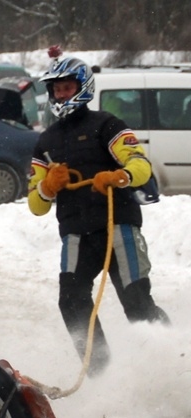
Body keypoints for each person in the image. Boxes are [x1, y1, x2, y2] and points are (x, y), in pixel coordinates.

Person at [28, 56, 168, 376]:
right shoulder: (45, 142)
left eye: (67, 87)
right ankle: (101, 374)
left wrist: (119, 176)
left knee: (136, 302)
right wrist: (48, 187)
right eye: (57, 89)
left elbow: (140, 165)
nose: (62, 95)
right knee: (71, 301)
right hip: (76, 233)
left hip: (117, 225)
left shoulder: (107, 124)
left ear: (82, 87)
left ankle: (172, 358)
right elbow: (36, 205)